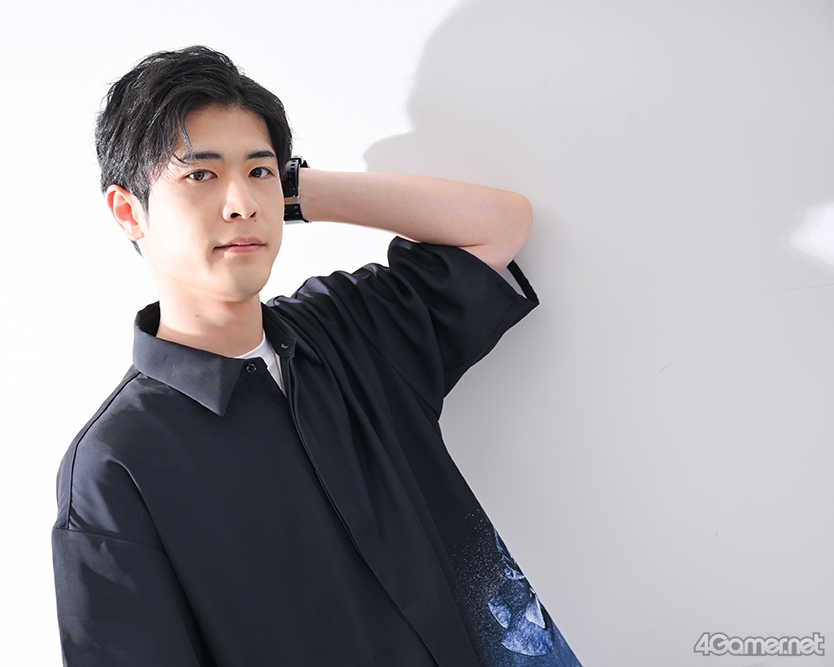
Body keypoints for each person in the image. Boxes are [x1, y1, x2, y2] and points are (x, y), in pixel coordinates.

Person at [52, 46, 582, 667]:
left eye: (259, 171)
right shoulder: (115, 465)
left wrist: (293, 188)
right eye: (200, 176)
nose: (241, 204)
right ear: (128, 211)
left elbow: (499, 226)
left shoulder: (347, 328)